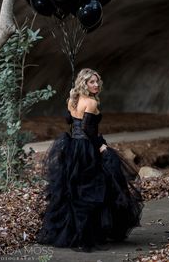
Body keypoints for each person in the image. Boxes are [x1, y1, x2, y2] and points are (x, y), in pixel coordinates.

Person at [37, 68, 143, 252]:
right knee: (94, 189)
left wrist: (71, 101)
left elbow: (69, 121)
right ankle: (87, 234)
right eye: (91, 82)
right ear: (83, 83)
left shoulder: (73, 99)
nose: (95, 85)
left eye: (97, 81)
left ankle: (74, 233)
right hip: (87, 149)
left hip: (72, 148)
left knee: (75, 191)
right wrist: (101, 146)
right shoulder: (91, 103)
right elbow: (87, 129)